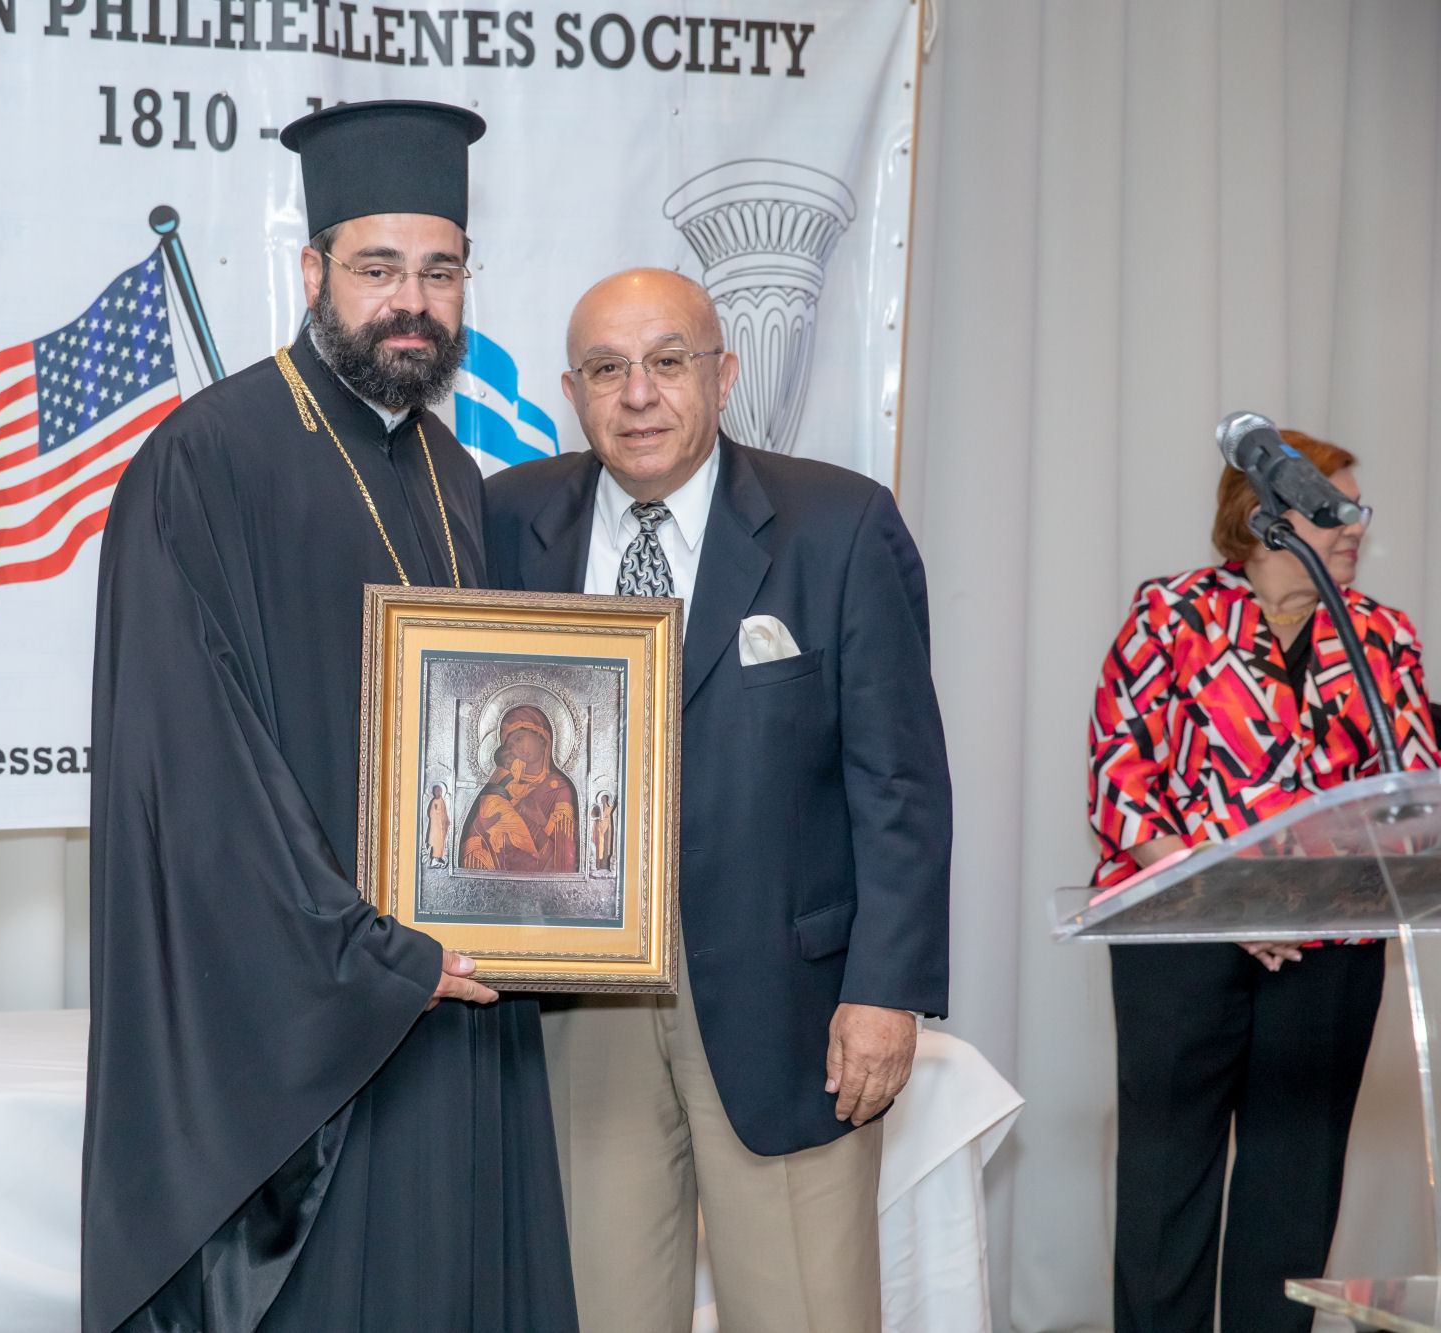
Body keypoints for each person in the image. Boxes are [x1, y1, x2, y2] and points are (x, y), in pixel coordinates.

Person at [84, 100, 577, 1332]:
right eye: (376, 269)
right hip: (317, 1038)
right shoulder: (205, 460)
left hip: (461, 1000)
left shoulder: (454, 474)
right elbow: (193, 779)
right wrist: (366, 955)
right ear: (312, 273)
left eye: (438, 271)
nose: (409, 302)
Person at [483, 268, 952, 1333]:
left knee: (802, 1309)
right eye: (606, 369)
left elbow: (899, 782)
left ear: (723, 373)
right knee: (597, 1309)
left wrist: (885, 990)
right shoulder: (505, 521)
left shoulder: (837, 525)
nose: (636, 394)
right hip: (577, 1001)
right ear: (571, 389)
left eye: (666, 362)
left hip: (788, 1006)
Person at [1088, 430, 1437, 1333]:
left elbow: (1410, 792)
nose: (1357, 527)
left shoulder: (1384, 638)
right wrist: (1229, 895)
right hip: (1183, 936)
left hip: (1331, 949)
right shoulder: (1168, 615)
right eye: (1335, 510)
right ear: (1264, 517)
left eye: (1362, 510)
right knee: (1167, 1191)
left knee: (1295, 1192)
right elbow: (1119, 782)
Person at [460, 704, 581, 873]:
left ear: (540, 735)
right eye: (509, 746)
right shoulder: (503, 785)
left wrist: (542, 821)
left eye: (519, 739)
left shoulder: (558, 788)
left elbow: (567, 848)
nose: (515, 749)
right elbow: (478, 833)